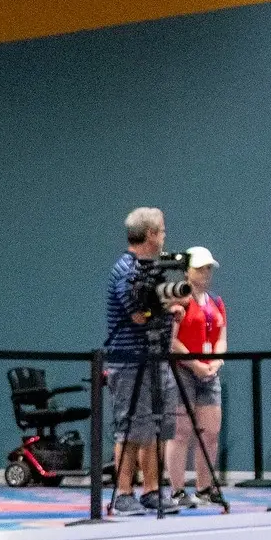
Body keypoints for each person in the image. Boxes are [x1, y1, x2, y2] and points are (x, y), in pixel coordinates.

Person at [103, 207, 180, 515]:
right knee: (131, 427)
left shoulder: (152, 269)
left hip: (156, 358)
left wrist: (167, 305)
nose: (164, 236)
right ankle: (123, 492)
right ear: (149, 234)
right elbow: (137, 314)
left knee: (156, 428)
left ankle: (151, 489)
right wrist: (167, 307)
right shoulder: (125, 270)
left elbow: (154, 305)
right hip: (130, 361)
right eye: (161, 231)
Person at [167, 246, 226, 503]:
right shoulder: (179, 300)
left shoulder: (216, 302)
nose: (205, 273)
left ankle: (205, 488)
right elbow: (172, 340)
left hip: (209, 373)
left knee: (210, 433)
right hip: (183, 371)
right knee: (181, 433)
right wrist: (195, 364)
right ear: (187, 271)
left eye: (208, 268)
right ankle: (177, 490)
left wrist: (216, 361)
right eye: (200, 268)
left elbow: (221, 336)